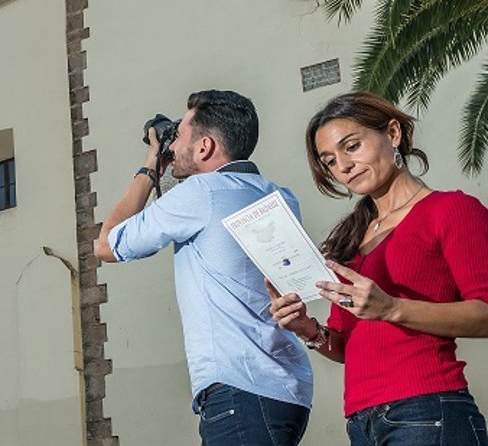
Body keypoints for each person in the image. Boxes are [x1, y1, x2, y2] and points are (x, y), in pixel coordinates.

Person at [268, 92, 488, 445]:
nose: (343, 166)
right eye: (330, 161)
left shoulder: (451, 210)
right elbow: (346, 345)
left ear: (393, 133)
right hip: (362, 422)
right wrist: (307, 329)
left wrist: (392, 308)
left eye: (352, 146)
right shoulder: (351, 238)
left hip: (427, 411)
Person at [95, 89, 312, 445]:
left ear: (205, 146)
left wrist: (151, 166)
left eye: (179, 135)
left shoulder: (201, 192)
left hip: (238, 389)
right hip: (289, 391)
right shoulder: (280, 196)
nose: (173, 145)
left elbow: (106, 245)